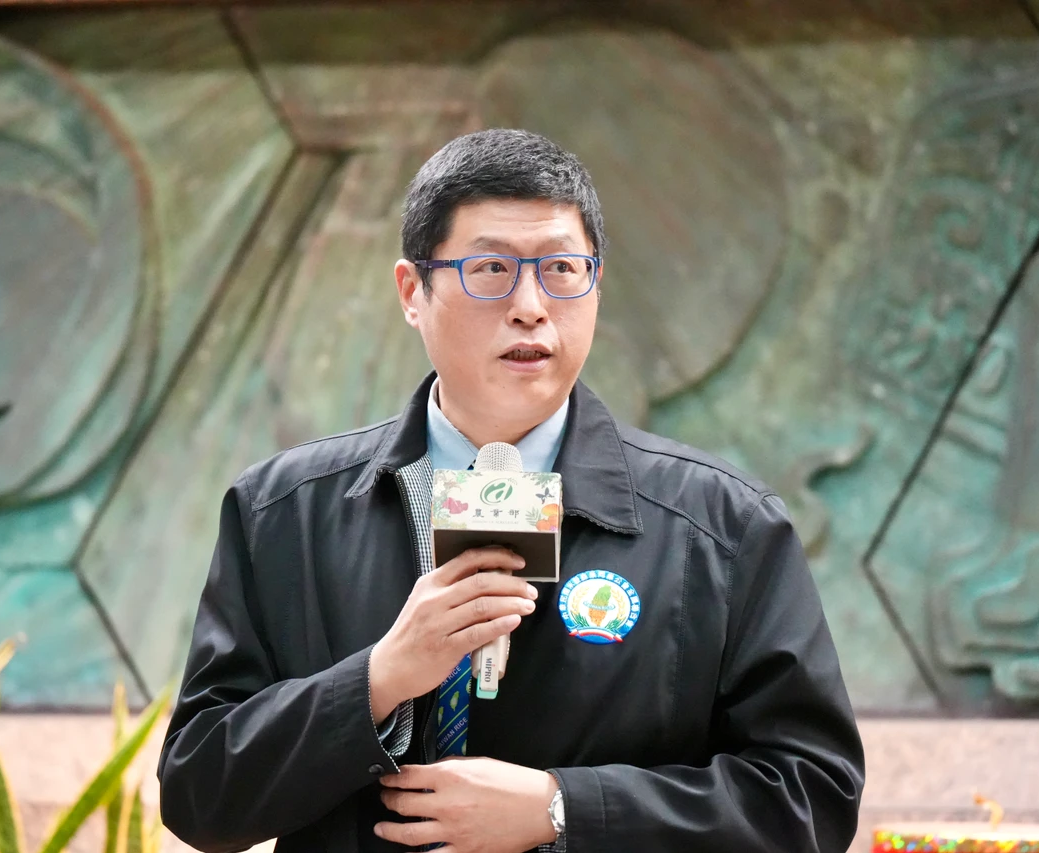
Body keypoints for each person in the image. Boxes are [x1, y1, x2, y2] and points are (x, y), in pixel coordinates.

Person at [157, 128, 865, 853]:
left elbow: (809, 797)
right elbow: (199, 795)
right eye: (491, 268)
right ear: (412, 291)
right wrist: (377, 679)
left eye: (562, 269)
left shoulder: (722, 527)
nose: (531, 305)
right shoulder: (283, 512)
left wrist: (566, 809)